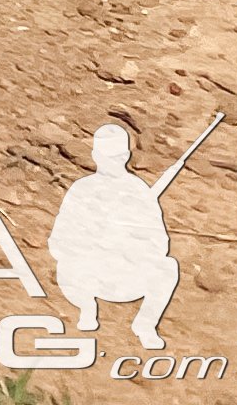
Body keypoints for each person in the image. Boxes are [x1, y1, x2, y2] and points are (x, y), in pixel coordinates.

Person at [49, 120, 186, 349]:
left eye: (116, 157)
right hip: (88, 274)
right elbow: (58, 241)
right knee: (66, 265)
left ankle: (145, 325)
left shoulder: (138, 191)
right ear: (94, 156)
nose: (110, 162)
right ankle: (87, 308)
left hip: (126, 274)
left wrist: (130, 241)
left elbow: (159, 243)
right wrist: (93, 242)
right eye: (105, 157)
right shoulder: (82, 189)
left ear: (125, 156)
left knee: (167, 267)